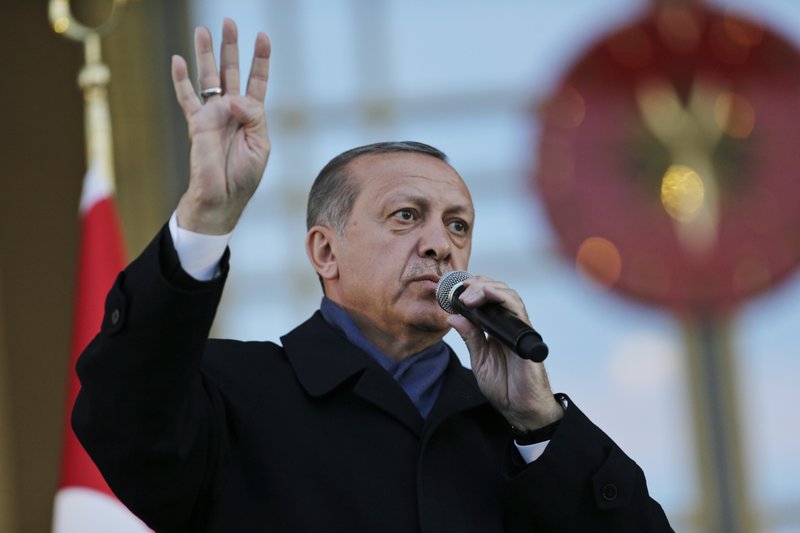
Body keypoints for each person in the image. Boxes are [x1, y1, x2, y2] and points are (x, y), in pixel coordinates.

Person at [72, 19, 673, 532]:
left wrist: (541, 422)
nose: (441, 243)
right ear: (325, 253)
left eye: (459, 225)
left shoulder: (519, 430)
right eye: (406, 216)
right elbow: (123, 414)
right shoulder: (234, 393)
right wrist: (207, 216)